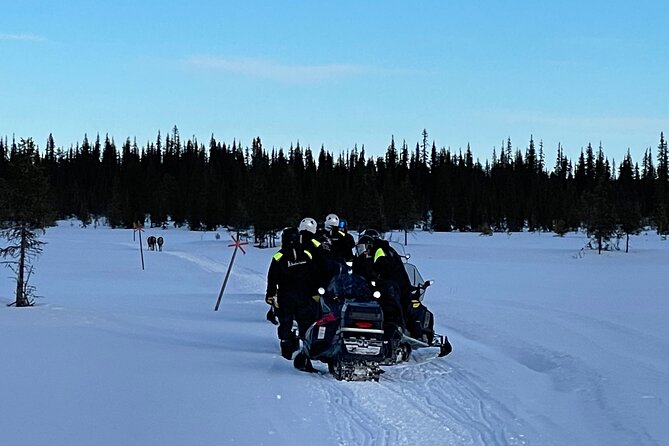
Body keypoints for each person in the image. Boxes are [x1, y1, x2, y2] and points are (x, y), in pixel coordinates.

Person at [265, 227, 320, 360]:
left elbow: (272, 278)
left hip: (291, 295)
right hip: (299, 295)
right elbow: (315, 274)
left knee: (289, 321)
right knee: (301, 321)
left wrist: (270, 294)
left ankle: (292, 346)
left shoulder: (281, 256)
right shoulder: (305, 254)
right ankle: (295, 346)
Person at [352, 230, 407, 332]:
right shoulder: (360, 259)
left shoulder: (380, 252)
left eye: (363, 247)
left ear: (369, 246)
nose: (361, 251)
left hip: (386, 287)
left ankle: (398, 326)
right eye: (359, 248)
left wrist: (376, 279)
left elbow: (383, 268)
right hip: (367, 288)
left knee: (390, 305)